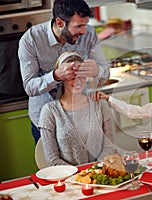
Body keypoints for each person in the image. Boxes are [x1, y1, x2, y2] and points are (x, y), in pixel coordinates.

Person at [18, 0, 109, 144]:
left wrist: (97, 70)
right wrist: (55, 76)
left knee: (88, 165)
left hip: (81, 117)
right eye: (79, 26)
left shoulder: (89, 34)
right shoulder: (31, 40)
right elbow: (30, 87)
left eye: (85, 24)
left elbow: (105, 75)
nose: (84, 31)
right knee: (55, 165)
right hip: (46, 122)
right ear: (60, 23)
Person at [38, 51, 116, 166]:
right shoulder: (49, 112)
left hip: (99, 174)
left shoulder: (100, 104)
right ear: (62, 78)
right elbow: (52, 160)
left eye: (81, 76)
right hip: (68, 178)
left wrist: (93, 171)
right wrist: (80, 175)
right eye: (72, 77)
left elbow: (109, 147)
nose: (78, 81)